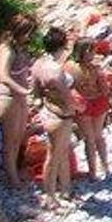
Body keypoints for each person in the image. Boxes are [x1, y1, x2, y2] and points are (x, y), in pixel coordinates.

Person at [28, 27, 77, 206]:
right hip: (61, 115)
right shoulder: (56, 70)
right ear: (63, 45)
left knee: (61, 152)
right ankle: (50, 196)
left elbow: (35, 92)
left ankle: (66, 189)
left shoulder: (38, 64)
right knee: (54, 156)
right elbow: (67, 97)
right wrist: (77, 108)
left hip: (47, 112)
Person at [0, 13, 38, 188]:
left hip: (20, 97)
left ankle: (15, 173)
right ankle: (12, 179)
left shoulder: (19, 48)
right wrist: (24, 90)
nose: (29, 37)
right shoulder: (7, 49)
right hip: (9, 97)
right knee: (10, 141)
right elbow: (3, 75)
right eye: (28, 32)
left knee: (19, 138)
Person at [66, 26, 112, 181]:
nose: (94, 54)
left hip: (82, 104)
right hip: (97, 102)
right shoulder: (95, 69)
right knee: (98, 136)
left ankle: (93, 172)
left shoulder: (69, 67)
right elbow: (104, 90)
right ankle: (105, 167)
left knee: (89, 138)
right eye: (92, 51)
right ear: (86, 51)